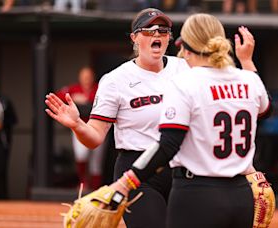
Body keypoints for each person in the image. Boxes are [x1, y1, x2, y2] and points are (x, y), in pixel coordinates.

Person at [45, 8, 258, 228]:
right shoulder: (115, 80)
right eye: (148, 30)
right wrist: (78, 125)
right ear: (134, 38)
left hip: (183, 171)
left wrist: (246, 167)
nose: (156, 35)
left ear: (170, 38)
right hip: (139, 170)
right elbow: (95, 137)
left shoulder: (187, 67)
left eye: (163, 30)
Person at [106, 13, 272, 228]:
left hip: (197, 193)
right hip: (241, 194)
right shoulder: (249, 79)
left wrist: (126, 181)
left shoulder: (184, 82)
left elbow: (168, 144)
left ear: (184, 45)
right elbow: (266, 110)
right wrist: (247, 61)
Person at [55, 66, 103, 190]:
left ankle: (95, 188)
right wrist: (74, 98)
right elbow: (57, 96)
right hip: (80, 126)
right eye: (84, 77)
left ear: (93, 77)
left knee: (96, 163)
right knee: (81, 155)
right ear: (80, 78)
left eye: (88, 76)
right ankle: (83, 184)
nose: (86, 79)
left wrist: (88, 101)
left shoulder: (99, 88)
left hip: (99, 126)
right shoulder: (74, 89)